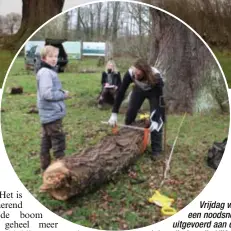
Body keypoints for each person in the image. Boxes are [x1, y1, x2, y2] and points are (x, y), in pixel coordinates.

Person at [108, 59, 165, 160]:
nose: (135, 76)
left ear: (145, 72)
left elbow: (160, 102)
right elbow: (121, 92)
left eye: (138, 75)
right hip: (138, 90)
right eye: (135, 74)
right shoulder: (131, 73)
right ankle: (127, 140)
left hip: (153, 92)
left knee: (156, 120)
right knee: (130, 112)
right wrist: (114, 113)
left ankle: (156, 150)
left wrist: (157, 119)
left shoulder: (156, 77)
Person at [36, 45, 70, 171]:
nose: (54, 59)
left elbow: (50, 89)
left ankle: (45, 168)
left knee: (47, 141)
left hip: (48, 114)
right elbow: (47, 94)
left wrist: (60, 91)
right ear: (44, 58)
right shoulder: (46, 72)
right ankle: (59, 171)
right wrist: (63, 95)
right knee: (58, 142)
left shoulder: (47, 71)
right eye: (51, 56)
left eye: (56, 56)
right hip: (52, 114)